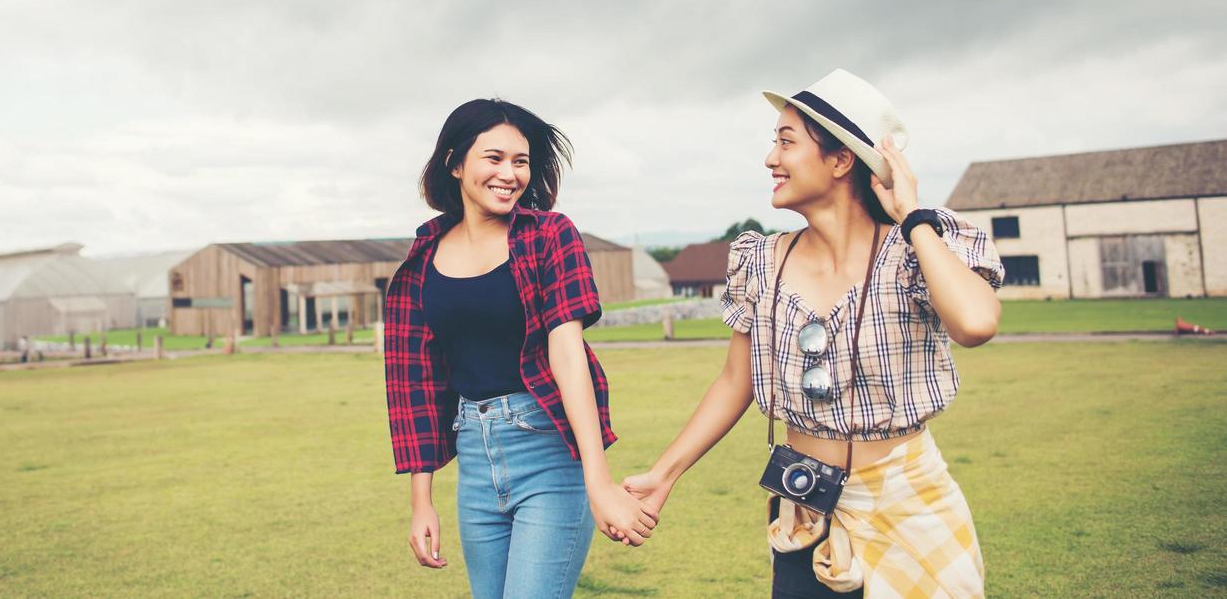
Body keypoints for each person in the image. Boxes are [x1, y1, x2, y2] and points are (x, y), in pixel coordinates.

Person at [622, 69, 1005, 597]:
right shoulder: (760, 262)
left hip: (910, 503)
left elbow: (976, 323)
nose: (770, 159)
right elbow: (736, 381)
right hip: (805, 508)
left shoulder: (914, 250)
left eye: (786, 142)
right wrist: (663, 474)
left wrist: (913, 218)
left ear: (841, 159)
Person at [384, 97, 658, 598]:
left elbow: (568, 354)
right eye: (494, 158)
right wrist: (421, 501)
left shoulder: (549, 236)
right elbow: (416, 384)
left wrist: (599, 483)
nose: (509, 173)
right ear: (455, 162)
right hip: (474, 457)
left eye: (521, 161)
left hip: (547, 451)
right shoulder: (423, 257)